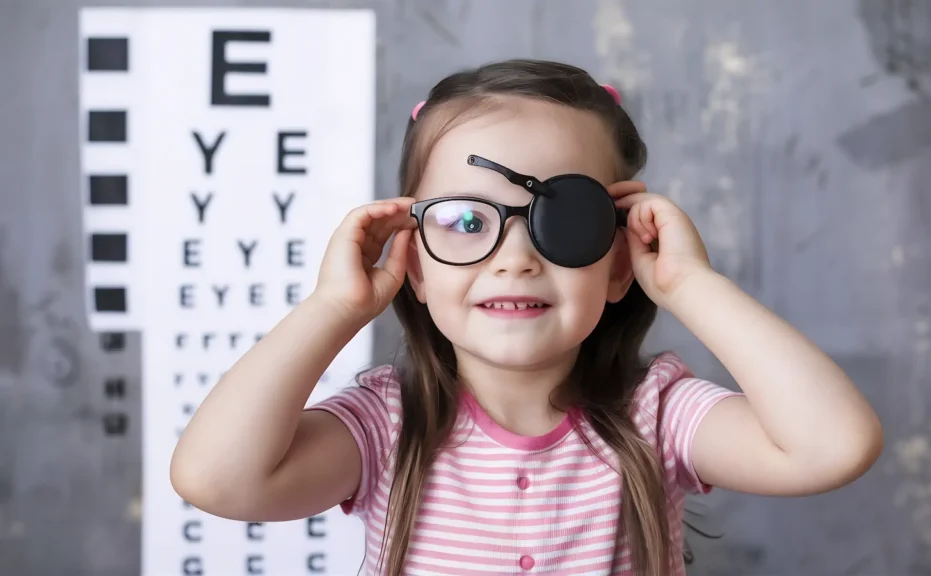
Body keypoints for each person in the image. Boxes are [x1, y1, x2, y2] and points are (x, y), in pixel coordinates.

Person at [170, 59, 884, 575]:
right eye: (461, 219)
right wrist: (333, 309)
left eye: (563, 221)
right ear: (412, 261)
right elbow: (217, 480)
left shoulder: (657, 417)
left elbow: (833, 446)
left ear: (615, 262)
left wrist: (691, 285)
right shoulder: (389, 427)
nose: (513, 260)